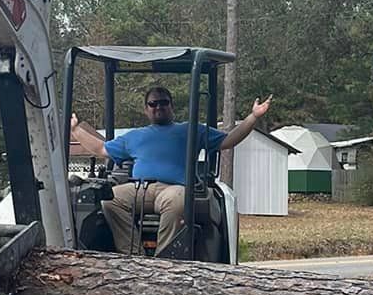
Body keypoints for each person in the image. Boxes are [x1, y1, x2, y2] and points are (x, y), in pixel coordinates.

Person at [70, 85, 272, 257]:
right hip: (140, 189)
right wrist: (76, 129)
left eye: (164, 102)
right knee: (108, 199)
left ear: (171, 106)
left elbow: (229, 140)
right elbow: (101, 149)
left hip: (175, 188)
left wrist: (253, 117)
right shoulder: (134, 136)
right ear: (146, 109)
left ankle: (165, 260)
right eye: (153, 104)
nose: (159, 107)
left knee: (177, 201)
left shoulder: (191, 130)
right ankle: (134, 257)